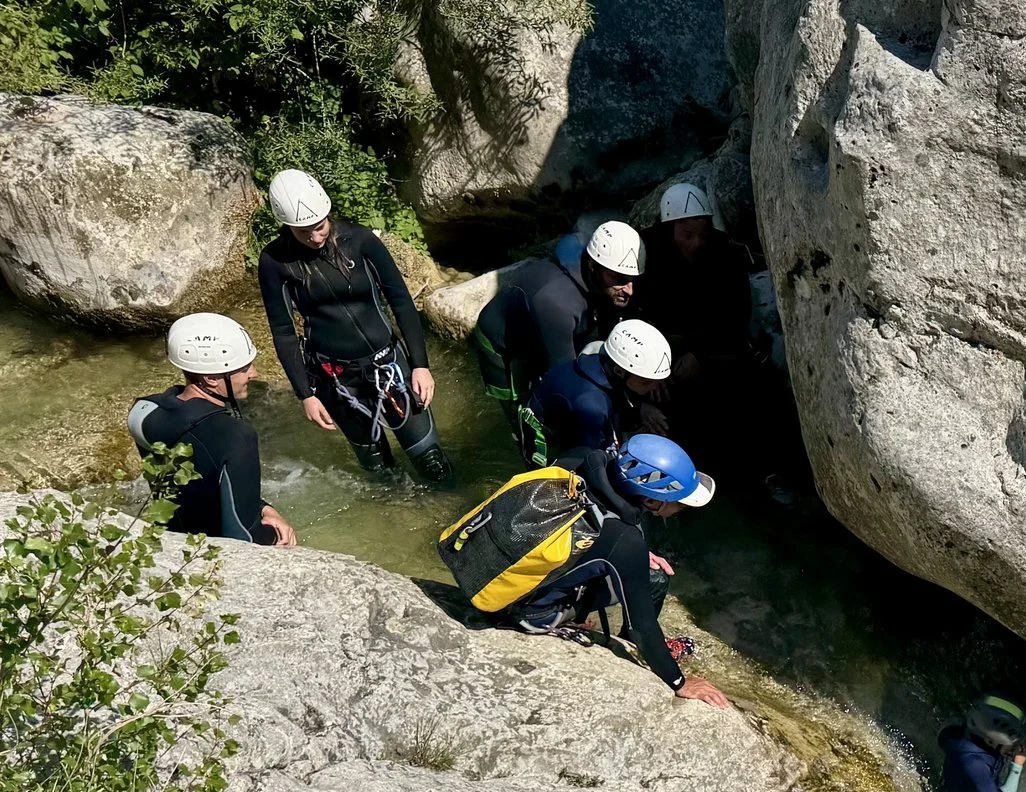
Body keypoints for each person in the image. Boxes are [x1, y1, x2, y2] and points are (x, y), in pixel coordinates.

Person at [489, 434, 730, 708]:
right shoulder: (623, 539)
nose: (682, 509)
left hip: (491, 571)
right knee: (654, 578)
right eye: (681, 503)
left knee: (624, 565)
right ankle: (627, 645)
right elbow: (643, 627)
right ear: (652, 502)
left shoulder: (578, 461)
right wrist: (680, 683)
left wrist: (620, 554)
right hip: (526, 612)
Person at [254, 169, 450, 484]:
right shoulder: (275, 262)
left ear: (327, 214)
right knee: (380, 476)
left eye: (319, 227)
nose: (315, 238)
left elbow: (400, 301)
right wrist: (306, 394)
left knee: (432, 463)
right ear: (286, 225)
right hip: (336, 378)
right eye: (303, 232)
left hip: (388, 366)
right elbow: (283, 331)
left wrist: (420, 365)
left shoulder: (359, 240)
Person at [472, 220, 644, 462]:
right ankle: (531, 453)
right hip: (503, 344)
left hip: (548, 328)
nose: (629, 290)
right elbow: (567, 381)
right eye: (619, 278)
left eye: (633, 279)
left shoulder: (601, 278)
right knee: (527, 412)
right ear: (593, 265)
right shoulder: (558, 303)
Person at [126, 314, 298, 545]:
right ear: (210, 378)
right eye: (243, 368)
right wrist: (277, 532)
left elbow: (199, 482)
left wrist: (263, 507)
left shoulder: (144, 411)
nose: (254, 373)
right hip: (210, 551)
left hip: (171, 538)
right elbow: (243, 535)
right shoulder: (236, 436)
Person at [632, 182, 760, 467]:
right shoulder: (650, 252)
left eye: (702, 234)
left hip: (712, 346)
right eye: (688, 235)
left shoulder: (726, 254)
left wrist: (700, 355)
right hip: (660, 347)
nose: (696, 243)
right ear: (670, 229)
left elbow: (736, 317)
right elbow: (636, 316)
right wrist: (651, 369)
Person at [531, 318, 675, 458]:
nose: (654, 387)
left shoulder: (597, 359)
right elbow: (587, 463)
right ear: (619, 371)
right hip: (562, 456)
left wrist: (638, 411)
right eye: (646, 382)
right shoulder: (591, 406)